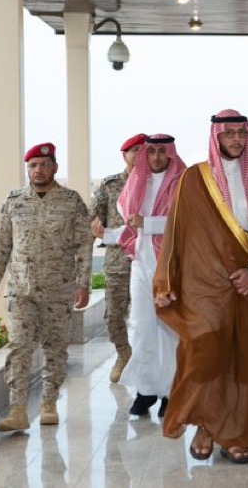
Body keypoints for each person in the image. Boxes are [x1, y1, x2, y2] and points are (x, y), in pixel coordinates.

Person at [154, 109, 248, 464]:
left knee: (247, 360)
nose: (237, 140)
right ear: (216, 137)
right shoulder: (194, 179)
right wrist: (165, 281)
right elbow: (176, 233)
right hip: (205, 288)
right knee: (206, 356)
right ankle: (205, 426)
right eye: (230, 134)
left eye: (242, 134)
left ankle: (236, 434)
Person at [0, 142, 93, 431]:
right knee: (19, 347)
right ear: (27, 169)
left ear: (54, 167)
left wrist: (83, 283)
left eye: (44, 165)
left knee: (55, 347)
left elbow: (84, 245)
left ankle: (48, 403)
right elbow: (0, 247)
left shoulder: (71, 201)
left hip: (58, 289)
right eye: (33, 166)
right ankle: (18, 409)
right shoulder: (14, 201)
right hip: (22, 290)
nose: (38, 170)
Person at [117, 134, 186, 418]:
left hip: (170, 265)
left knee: (169, 330)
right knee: (141, 328)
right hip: (141, 265)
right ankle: (145, 391)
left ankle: (171, 392)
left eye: (161, 151)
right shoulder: (137, 181)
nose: (157, 157)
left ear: (170, 153)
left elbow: (185, 221)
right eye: (152, 151)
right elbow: (126, 217)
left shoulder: (182, 182)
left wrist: (148, 223)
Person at [90, 133, 147, 384]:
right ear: (125, 155)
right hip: (118, 262)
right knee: (113, 316)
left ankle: (148, 361)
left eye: (144, 150)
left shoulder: (157, 183)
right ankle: (124, 354)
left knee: (149, 317)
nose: (140, 155)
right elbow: (93, 219)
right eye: (135, 150)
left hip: (148, 260)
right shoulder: (110, 185)